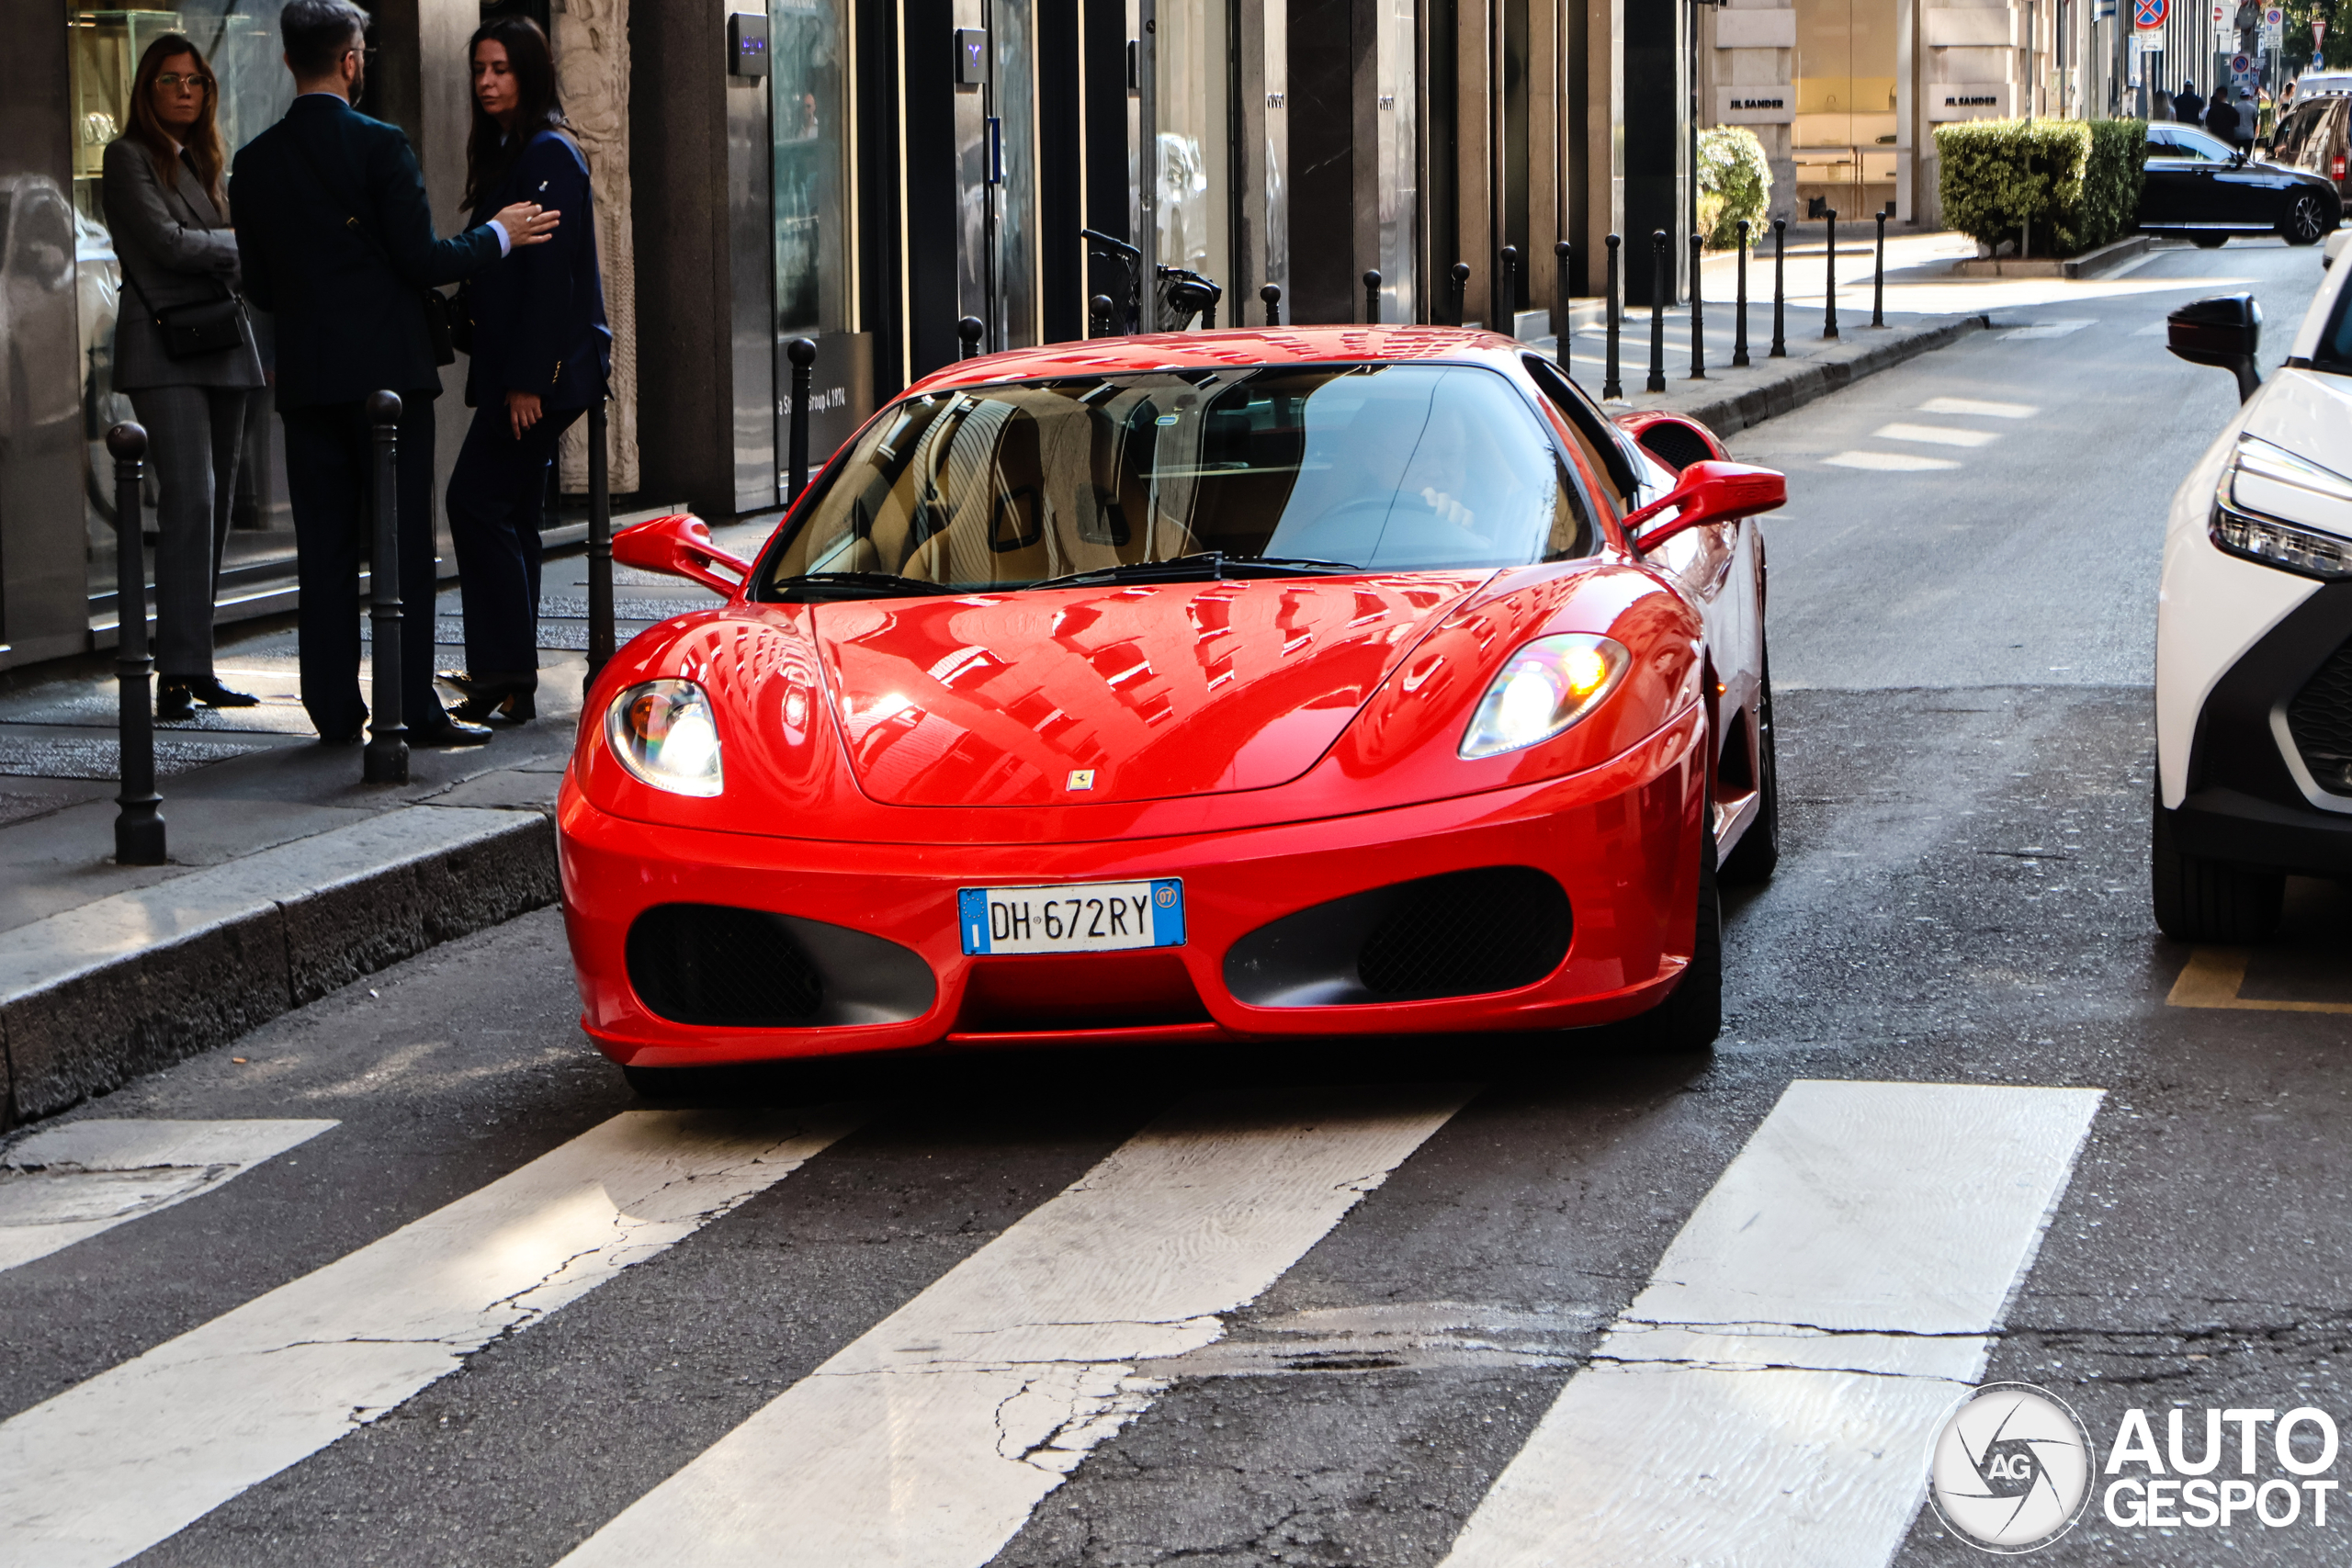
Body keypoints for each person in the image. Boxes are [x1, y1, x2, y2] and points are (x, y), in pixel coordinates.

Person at [228, 0, 558, 747]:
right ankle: (409, 704)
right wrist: (498, 236)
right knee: (401, 546)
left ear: (287, 60)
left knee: (326, 548)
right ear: (351, 60)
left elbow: (264, 288)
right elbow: (423, 260)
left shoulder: (254, 163)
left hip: (309, 381)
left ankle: (334, 710)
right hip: (390, 382)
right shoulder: (381, 146)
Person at [437, 17, 610, 726]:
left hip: (544, 374)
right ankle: (510, 677)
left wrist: (528, 381)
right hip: (534, 369)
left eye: (501, 69)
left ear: (530, 73)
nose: (485, 82)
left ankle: (504, 670)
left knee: (474, 502)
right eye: (479, 68)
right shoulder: (519, 149)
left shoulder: (550, 154)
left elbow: (550, 280)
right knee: (509, 513)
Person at [103, 34, 266, 722]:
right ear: (149, 89)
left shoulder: (205, 160)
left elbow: (200, 241)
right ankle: (171, 672)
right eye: (172, 80)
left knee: (218, 504)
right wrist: (239, 247)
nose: (186, 91)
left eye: (196, 81)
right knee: (189, 501)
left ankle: (195, 664)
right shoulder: (128, 155)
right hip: (164, 343)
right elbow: (166, 243)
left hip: (221, 340)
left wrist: (223, 248)